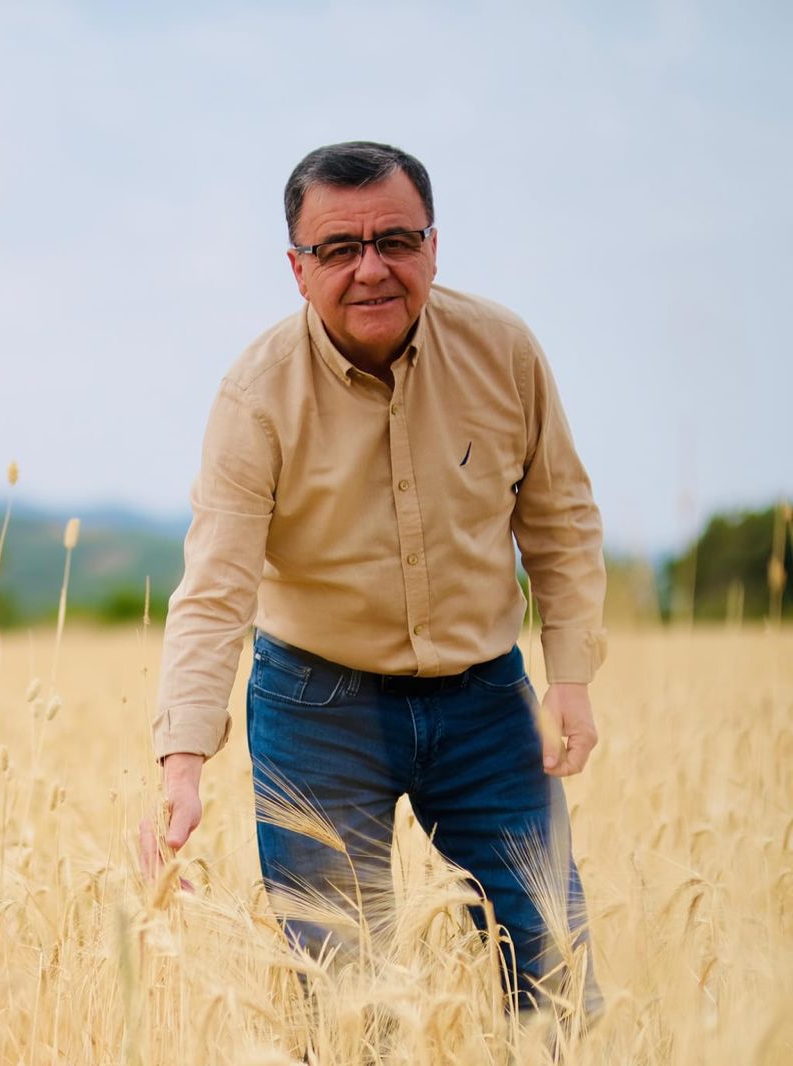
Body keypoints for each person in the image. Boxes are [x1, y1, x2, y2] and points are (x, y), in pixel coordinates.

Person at [139, 141, 605, 1017]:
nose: (372, 270)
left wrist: (571, 678)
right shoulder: (255, 395)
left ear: (434, 245)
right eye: (339, 250)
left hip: (488, 704)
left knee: (554, 973)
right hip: (319, 709)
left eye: (396, 240)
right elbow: (215, 586)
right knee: (341, 995)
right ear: (297, 268)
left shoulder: (504, 350)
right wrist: (182, 762)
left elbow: (561, 519)